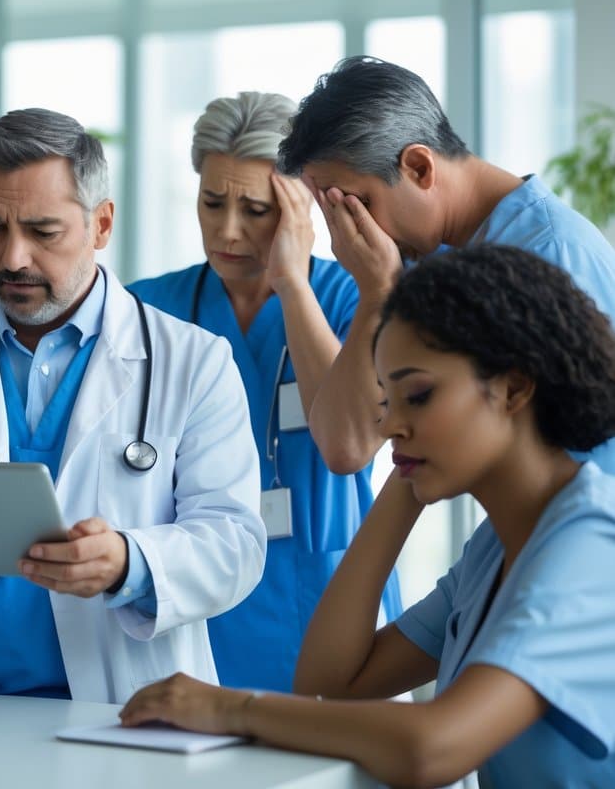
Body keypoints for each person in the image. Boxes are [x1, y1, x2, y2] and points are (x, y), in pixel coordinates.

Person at [121, 245, 615, 787]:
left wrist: (231, 709)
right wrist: (405, 484)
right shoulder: (497, 547)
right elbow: (335, 678)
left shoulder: (594, 544)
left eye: (419, 396)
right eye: (388, 399)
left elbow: (433, 748)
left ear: (514, 388)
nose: (388, 425)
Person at [0, 108, 266, 703]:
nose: (12, 258)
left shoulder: (192, 362)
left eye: (42, 230)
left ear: (101, 224)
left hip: (119, 704)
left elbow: (235, 542)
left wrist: (128, 561)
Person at [129, 91, 400, 693]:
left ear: (300, 205)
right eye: (211, 202)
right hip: (197, 609)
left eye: (255, 209)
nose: (227, 230)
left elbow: (352, 445)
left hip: (325, 600)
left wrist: (291, 283)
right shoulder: (145, 311)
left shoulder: (351, 297)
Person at [276, 55, 615, 477]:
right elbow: (344, 445)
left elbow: (588, 477)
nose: (346, 235)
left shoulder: (554, 256)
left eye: (356, 205)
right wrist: (378, 292)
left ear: (419, 168)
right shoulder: (424, 258)